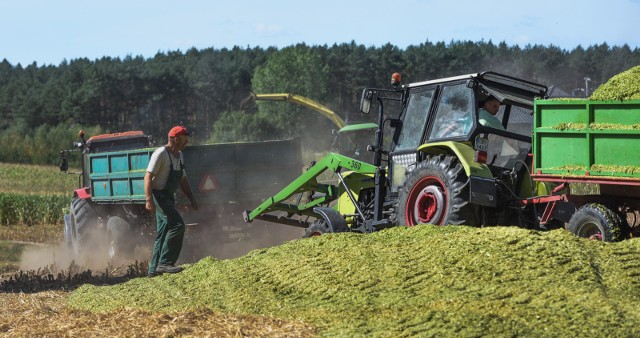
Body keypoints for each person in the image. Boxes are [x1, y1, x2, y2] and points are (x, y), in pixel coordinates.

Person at [144, 125, 198, 277]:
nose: (186, 142)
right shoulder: (161, 153)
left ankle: (153, 270)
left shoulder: (179, 155)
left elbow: (183, 179)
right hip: (159, 196)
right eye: (184, 139)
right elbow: (147, 177)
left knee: (163, 232)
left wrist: (192, 198)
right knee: (177, 225)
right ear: (175, 139)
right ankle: (165, 263)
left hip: (168, 197)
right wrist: (149, 200)